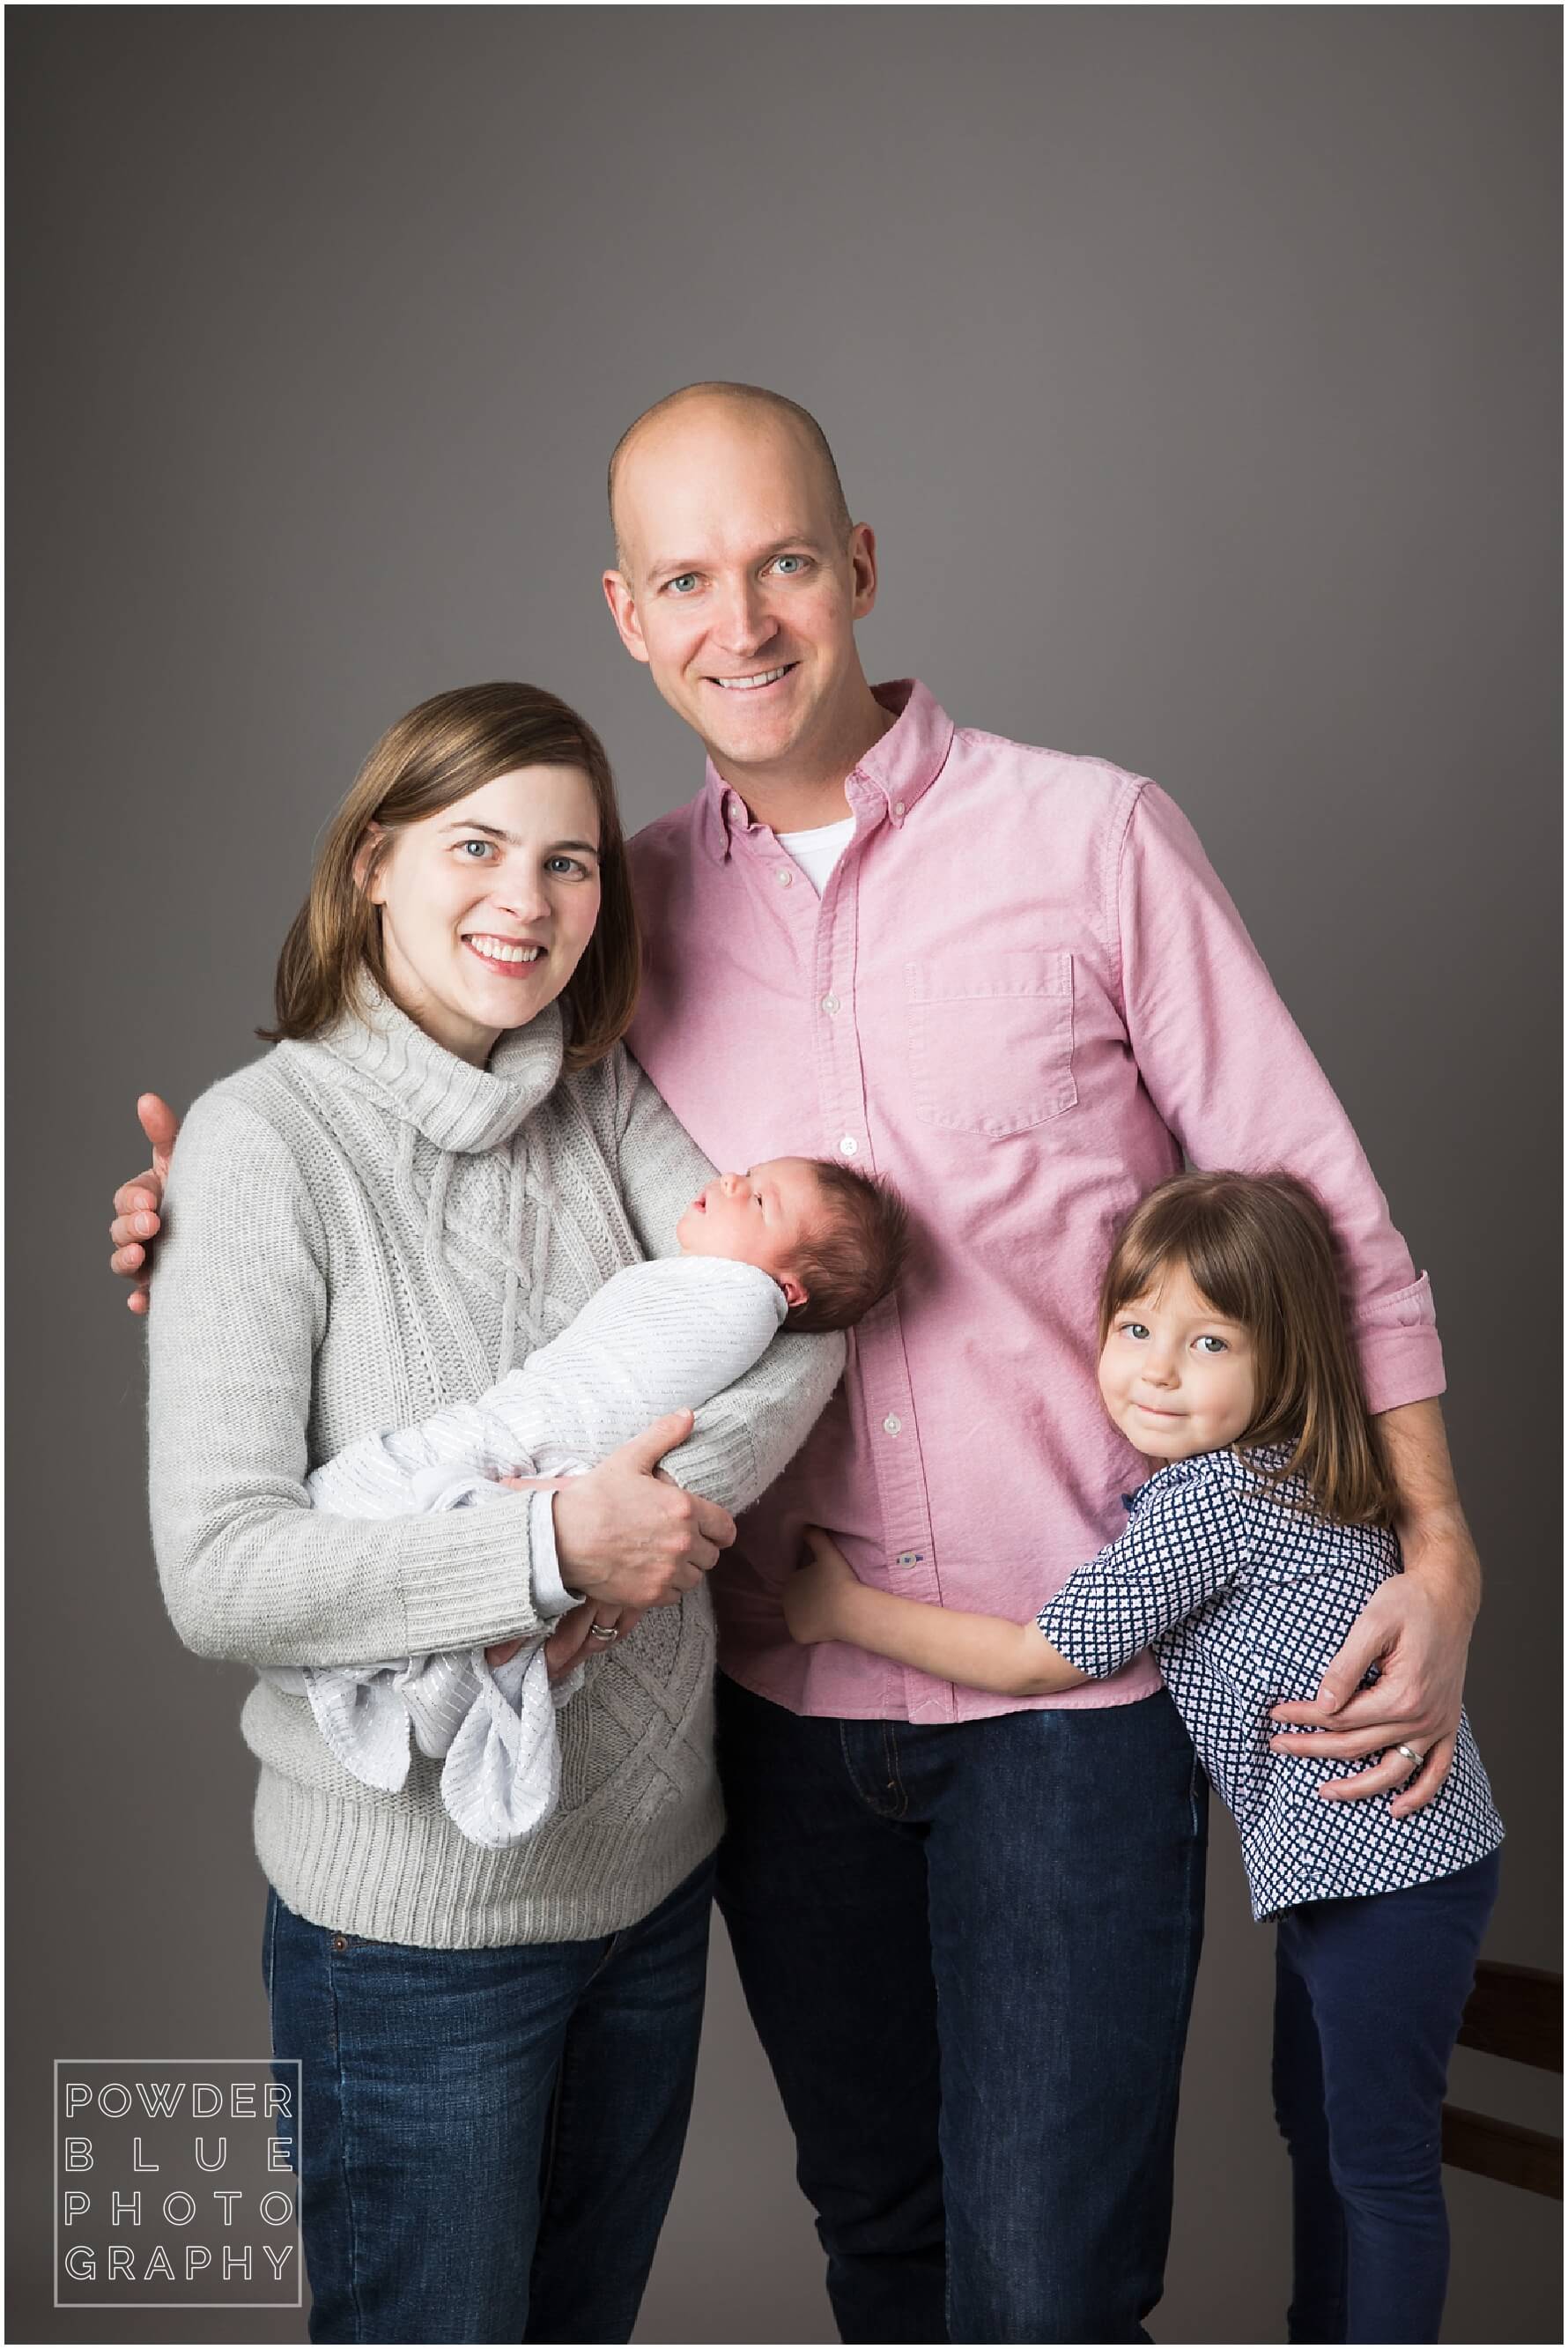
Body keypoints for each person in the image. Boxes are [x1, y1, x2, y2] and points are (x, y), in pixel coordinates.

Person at [115, 385, 1483, 2344]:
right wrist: (214, 1205)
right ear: (626, 614)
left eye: (776, 564)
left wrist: (1437, 1556)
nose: (738, 621)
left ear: (856, 568)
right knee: (882, 2249)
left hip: (1069, 1697)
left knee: (1049, 2289)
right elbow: (468, 1164)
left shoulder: (1090, 838)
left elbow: (1326, 1216)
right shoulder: (618, 909)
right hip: (769, 1708)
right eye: (685, 579)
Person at [143, 679, 846, 2345]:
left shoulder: (602, 1098)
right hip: (410, 1940)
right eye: (476, 846)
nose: (525, 903)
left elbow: (797, 1319)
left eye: (572, 863)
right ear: (374, 862)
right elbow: (221, 1573)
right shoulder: (259, 1150)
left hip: (653, 1884)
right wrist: (546, 1551)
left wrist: (638, 1515)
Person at [784, 1168, 1503, 2345]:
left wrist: (839, 1609)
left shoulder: (1215, 1502)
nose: (1160, 1367)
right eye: (1135, 1327)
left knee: (1371, 2161)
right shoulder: (1292, 1475)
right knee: (1325, 2135)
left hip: (1393, 1869)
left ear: (1288, 1361)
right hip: (1384, 1867)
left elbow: (1034, 1656)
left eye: (1210, 1338)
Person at [273, 1155, 907, 1849]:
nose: (731, 1181)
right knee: (333, 1559)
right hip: (535, 1471)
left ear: (786, 1290)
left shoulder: (734, 1302)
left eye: (759, 1201)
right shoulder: (715, 1284)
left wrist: (582, 1514)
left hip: (531, 1455)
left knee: (358, 1508)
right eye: (746, 1173)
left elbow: (613, 1399)